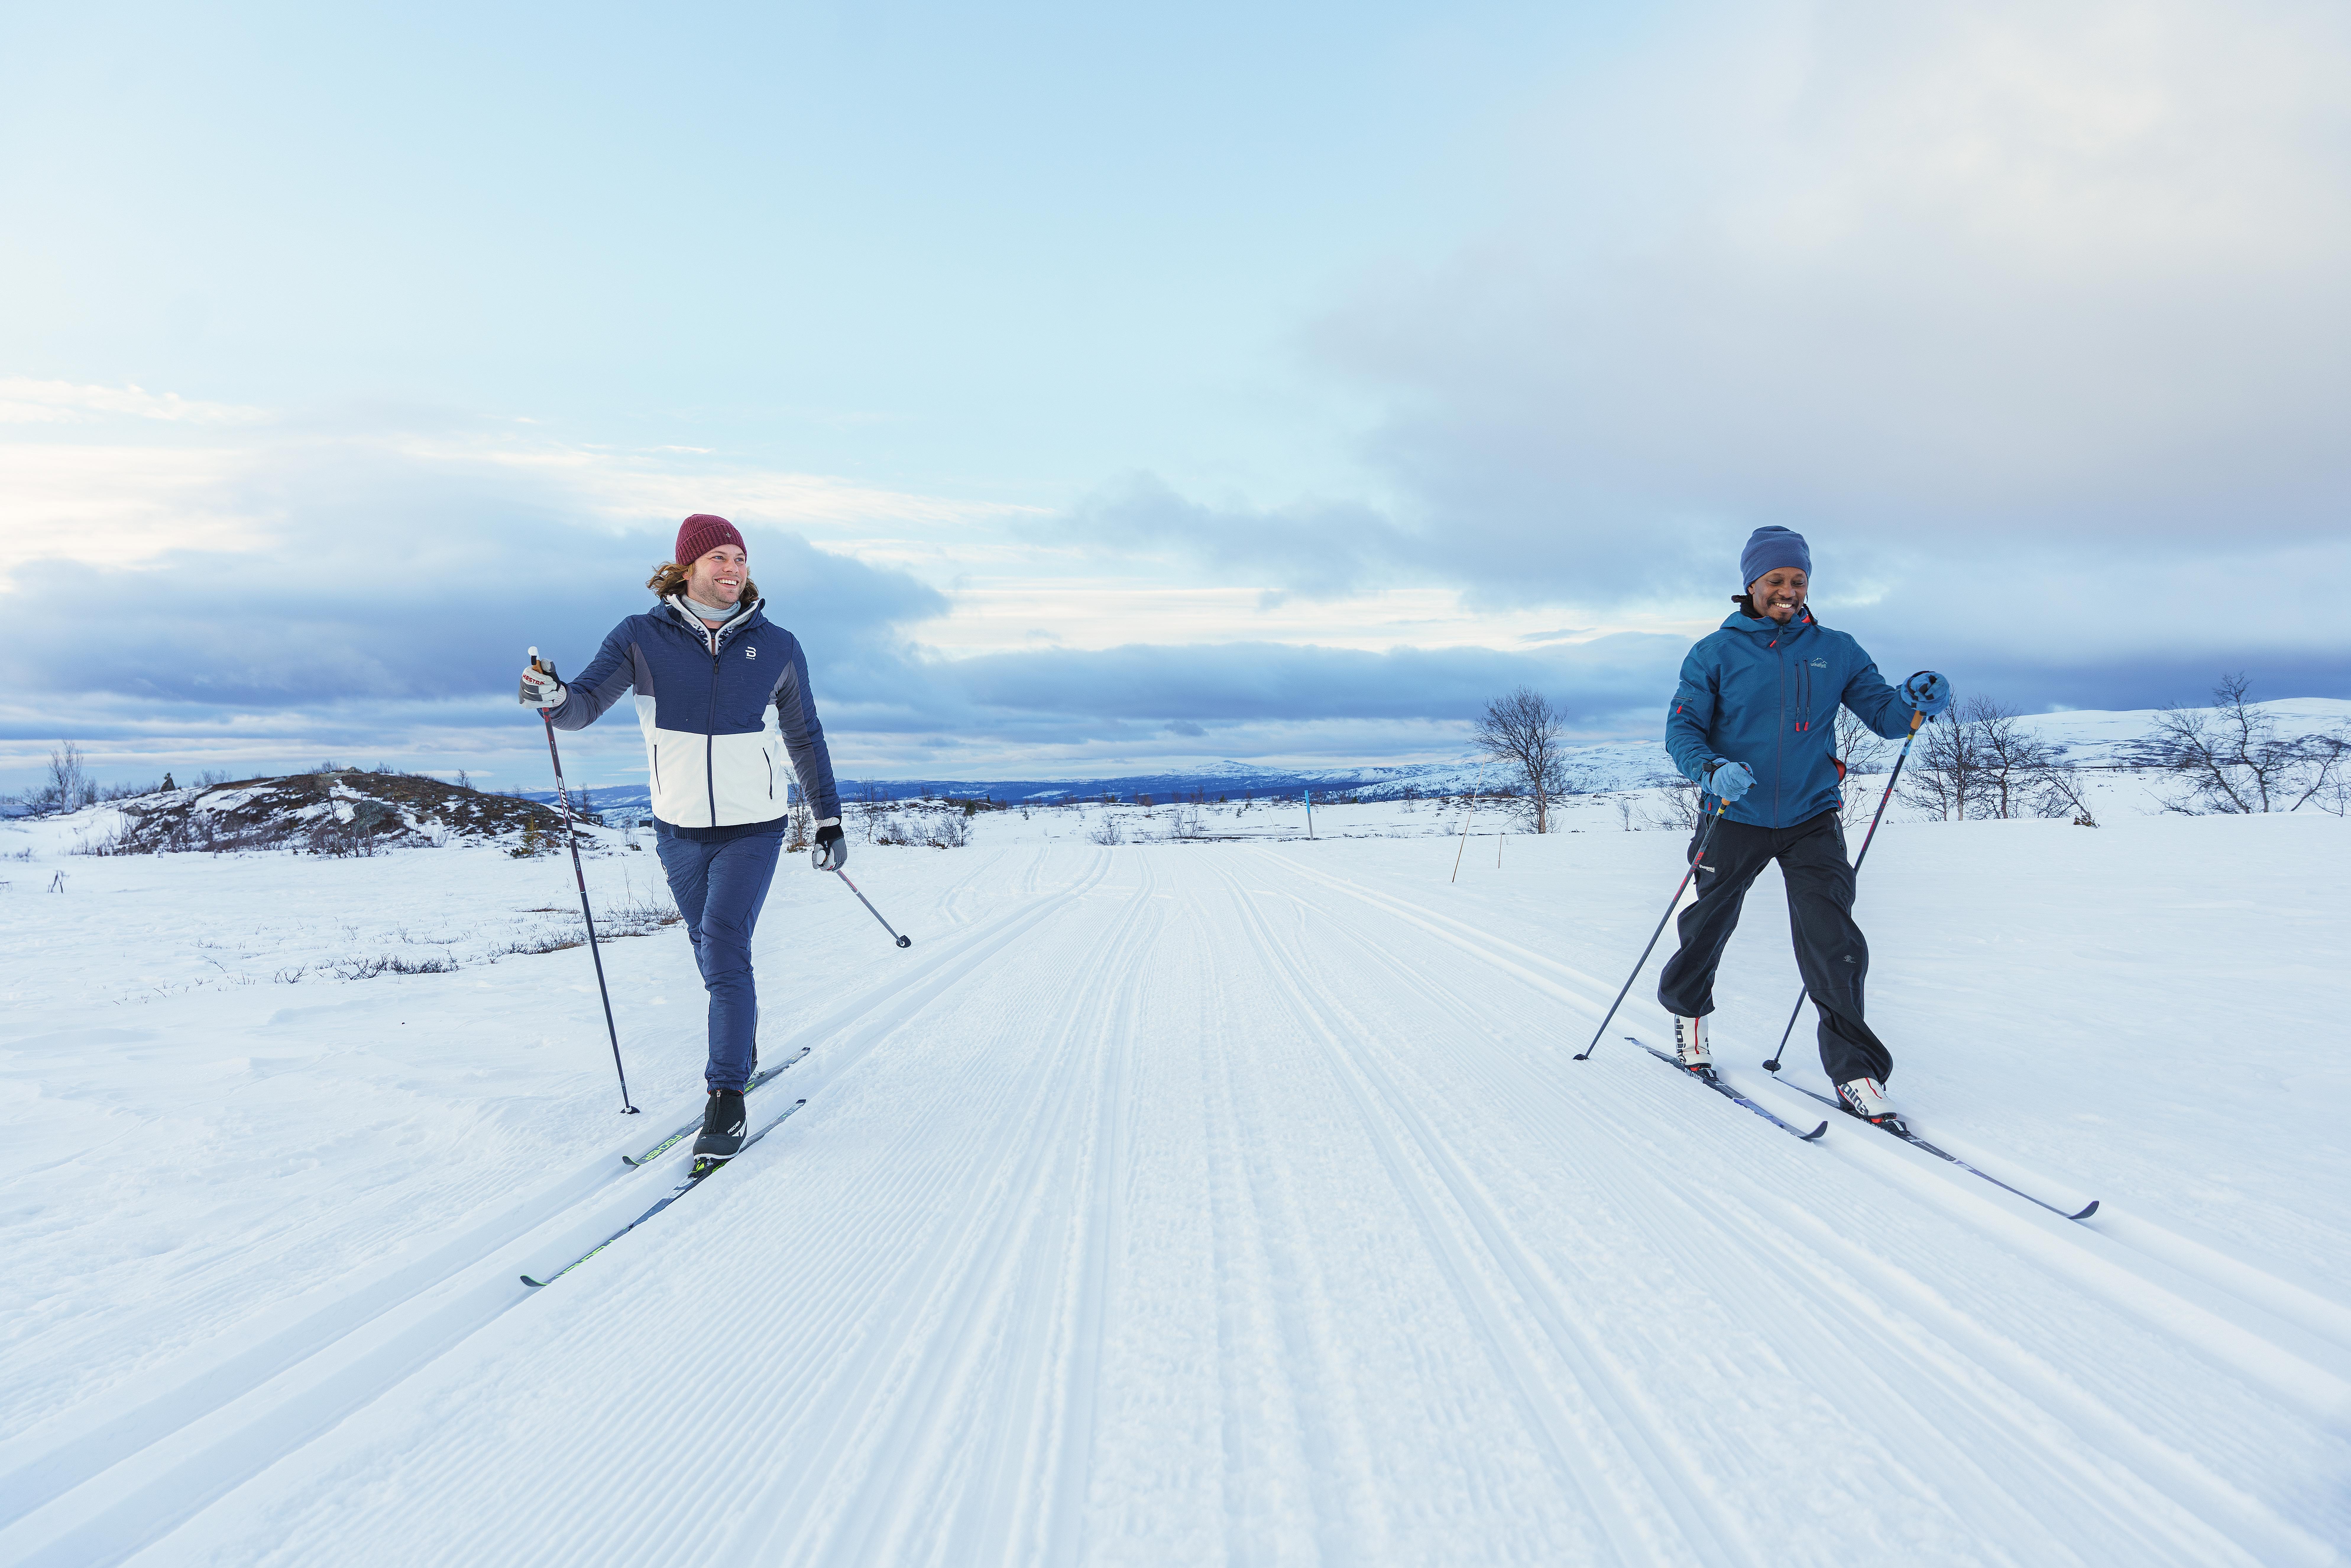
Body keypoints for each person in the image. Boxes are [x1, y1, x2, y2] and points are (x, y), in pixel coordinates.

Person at [519, 514, 848, 1161]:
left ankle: (726, 1096)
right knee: (708, 950)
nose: (733, 571)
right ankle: (740, 1038)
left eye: (742, 560)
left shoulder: (777, 644)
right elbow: (582, 707)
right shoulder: (642, 637)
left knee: (725, 944)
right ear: (687, 567)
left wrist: (829, 816)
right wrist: (550, 695)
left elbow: (804, 733)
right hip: (678, 828)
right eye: (721, 558)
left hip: (754, 827)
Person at [1657, 525, 1951, 1125]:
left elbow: (1885, 716)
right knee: (1707, 926)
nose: (1787, 591)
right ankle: (1689, 1021)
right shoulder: (1715, 654)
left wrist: (1915, 701)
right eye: (1775, 581)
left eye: (1797, 580)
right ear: (1751, 586)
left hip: (1811, 815)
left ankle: (1856, 1072)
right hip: (1731, 813)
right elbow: (1681, 731)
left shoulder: (1836, 649)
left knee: (1833, 940)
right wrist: (1710, 768)